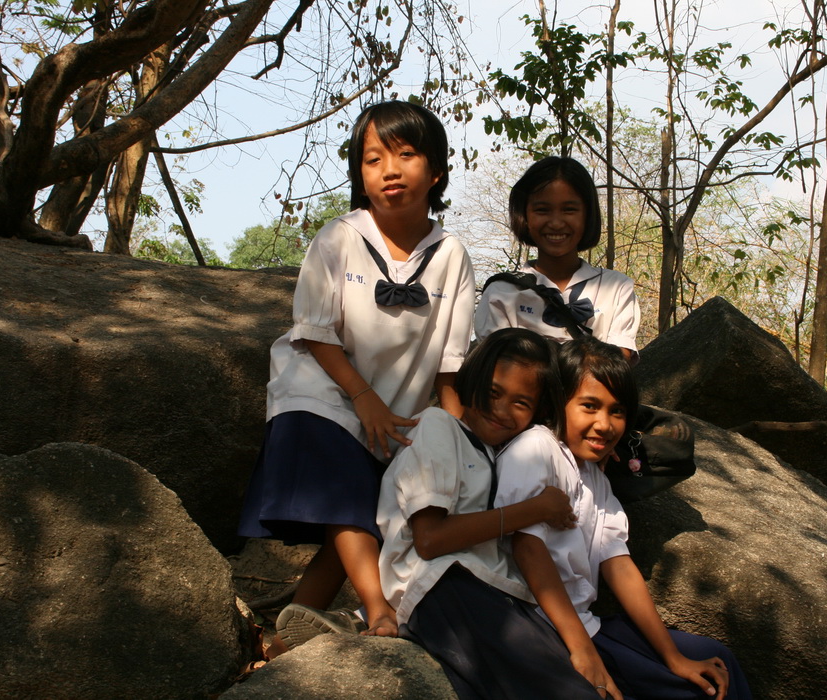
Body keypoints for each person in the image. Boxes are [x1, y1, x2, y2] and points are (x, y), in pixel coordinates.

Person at [237, 100, 475, 650]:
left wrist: (458, 443)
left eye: (406, 155)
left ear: (436, 171)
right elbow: (315, 331)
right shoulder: (338, 236)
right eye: (373, 160)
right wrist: (363, 397)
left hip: (393, 413)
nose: (389, 170)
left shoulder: (451, 254)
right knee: (348, 500)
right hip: (321, 391)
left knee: (358, 524)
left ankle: (280, 642)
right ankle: (380, 612)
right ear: (359, 175)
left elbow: (451, 363)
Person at [495, 336, 752, 700]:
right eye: (589, 406)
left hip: (587, 625)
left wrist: (674, 658)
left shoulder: (595, 477)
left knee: (716, 661)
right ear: (556, 402)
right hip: (538, 626)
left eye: (616, 411)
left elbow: (618, 564)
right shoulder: (536, 448)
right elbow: (527, 547)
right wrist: (582, 649)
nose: (604, 424)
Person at [377, 328, 606, 700]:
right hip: (443, 586)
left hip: (495, 589)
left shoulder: (495, 452)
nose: (501, 410)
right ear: (472, 381)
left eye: (521, 402)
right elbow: (430, 538)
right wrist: (535, 509)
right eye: (493, 392)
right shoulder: (438, 426)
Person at [475, 156, 641, 363]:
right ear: (524, 216)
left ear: (588, 214)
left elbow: (617, 365)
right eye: (542, 210)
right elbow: (498, 367)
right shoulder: (501, 292)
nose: (556, 223)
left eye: (569, 210)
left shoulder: (616, 288)